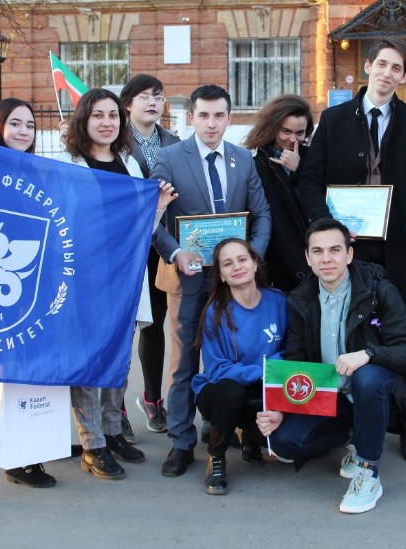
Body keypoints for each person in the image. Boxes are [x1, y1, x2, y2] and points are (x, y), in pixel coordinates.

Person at [296, 38, 406, 464]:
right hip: (347, 253)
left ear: (404, 76)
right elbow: (308, 182)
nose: (388, 73)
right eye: (382, 64)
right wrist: (331, 229)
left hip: (399, 251)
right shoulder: (334, 120)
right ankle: (348, 424)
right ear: (368, 66)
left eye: (398, 67)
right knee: (353, 335)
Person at [258, 218, 406, 514]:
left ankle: (367, 471)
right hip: (331, 396)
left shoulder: (378, 290)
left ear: (349, 255)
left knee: (367, 377)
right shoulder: (300, 300)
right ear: (308, 258)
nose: (327, 259)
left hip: (380, 391)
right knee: (284, 442)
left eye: (335, 250)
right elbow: (298, 363)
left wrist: (369, 353)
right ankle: (353, 436)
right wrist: (281, 407)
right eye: (318, 251)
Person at [150, 84, 272, 478]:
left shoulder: (242, 160)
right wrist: (175, 252)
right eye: (203, 115)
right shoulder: (168, 159)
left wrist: (250, 258)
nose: (211, 123)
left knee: (233, 356)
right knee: (184, 362)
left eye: (219, 115)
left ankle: (226, 427)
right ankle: (181, 442)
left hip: (233, 280)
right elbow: (152, 219)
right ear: (191, 117)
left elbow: (263, 214)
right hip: (188, 276)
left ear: (229, 118)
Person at [55, 88, 177, 480]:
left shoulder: (129, 163)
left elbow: (141, 227)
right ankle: (92, 443)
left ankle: (113, 429)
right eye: (97, 115)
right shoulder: (70, 165)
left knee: (119, 360)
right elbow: (64, 226)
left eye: (112, 115)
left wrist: (156, 209)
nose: (107, 122)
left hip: (125, 276)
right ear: (83, 121)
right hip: (86, 280)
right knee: (91, 363)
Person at [0, 98, 56, 487]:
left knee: (37, 371)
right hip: (0, 288)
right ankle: (15, 458)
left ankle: (35, 450)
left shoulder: (38, 171)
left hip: (36, 285)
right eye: (15, 123)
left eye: (29, 125)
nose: (24, 131)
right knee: (9, 372)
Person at [192, 238, 286, 495]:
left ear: (255, 263)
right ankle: (217, 457)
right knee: (232, 391)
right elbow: (217, 370)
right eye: (227, 263)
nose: (236, 266)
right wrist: (263, 371)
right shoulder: (215, 311)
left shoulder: (279, 301)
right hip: (221, 391)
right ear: (221, 275)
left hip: (265, 389)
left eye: (242, 259)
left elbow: (291, 352)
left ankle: (252, 439)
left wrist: (270, 371)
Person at [121, 74, 181, 435]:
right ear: (128, 103)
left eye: (158, 97)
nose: (152, 103)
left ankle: (152, 398)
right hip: (125, 248)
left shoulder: (173, 142)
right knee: (123, 328)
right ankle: (114, 409)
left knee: (155, 323)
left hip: (160, 246)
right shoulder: (115, 139)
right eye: (144, 96)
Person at [242, 94, 314, 292]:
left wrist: (299, 170)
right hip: (279, 262)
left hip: (314, 252)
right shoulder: (257, 163)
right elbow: (276, 219)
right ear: (273, 127)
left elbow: (317, 199)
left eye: (300, 133)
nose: (292, 139)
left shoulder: (312, 157)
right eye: (285, 131)